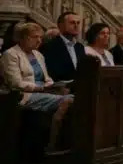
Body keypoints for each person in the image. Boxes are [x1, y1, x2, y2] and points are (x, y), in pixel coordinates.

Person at [0, 22, 74, 152]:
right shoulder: (10, 54)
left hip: (44, 91)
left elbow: (46, 78)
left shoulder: (38, 55)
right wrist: (40, 88)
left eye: (40, 37)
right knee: (69, 100)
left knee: (73, 96)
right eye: (34, 37)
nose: (39, 40)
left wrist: (53, 85)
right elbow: (15, 83)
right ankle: (52, 145)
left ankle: (61, 143)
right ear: (21, 38)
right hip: (23, 95)